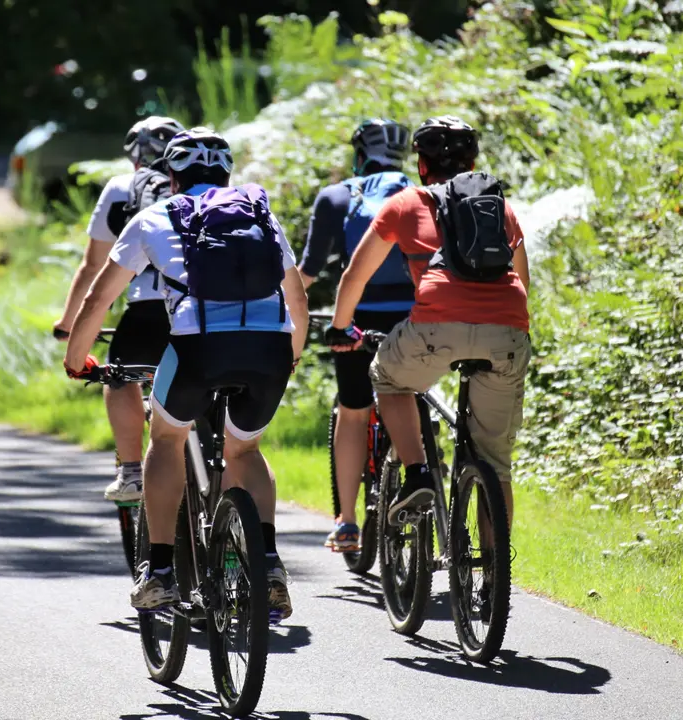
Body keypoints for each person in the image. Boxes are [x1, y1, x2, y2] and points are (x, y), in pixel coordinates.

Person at [64, 128, 308, 619]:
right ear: (226, 174)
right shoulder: (259, 212)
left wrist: (76, 359)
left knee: (168, 438)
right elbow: (297, 297)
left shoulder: (153, 216)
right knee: (246, 449)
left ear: (171, 176)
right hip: (269, 348)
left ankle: (158, 571)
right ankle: (268, 561)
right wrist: (292, 355)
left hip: (198, 349)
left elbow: (99, 297)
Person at [325, 116, 531, 527]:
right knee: (496, 464)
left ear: (421, 165)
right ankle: (494, 580)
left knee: (387, 377)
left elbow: (355, 276)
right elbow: (522, 280)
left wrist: (341, 328)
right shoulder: (499, 208)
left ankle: (417, 472)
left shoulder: (405, 204)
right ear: (473, 164)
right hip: (507, 328)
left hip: (437, 324)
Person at [54, 116, 184, 502]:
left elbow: (93, 266)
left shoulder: (122, 189)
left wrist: (67, 323)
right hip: (204, 308)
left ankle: (130, 472)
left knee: (119, 376)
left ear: (133, 157)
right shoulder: (202, 190)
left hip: (146, 310)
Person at [298, 118, 414, 553]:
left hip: (358, 319)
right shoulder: (419, 195)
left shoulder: (338, 196)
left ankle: (347, 521)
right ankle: (427, 467)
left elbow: (309, 271)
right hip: (416, 316)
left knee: (353, 411)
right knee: (413, 395)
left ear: (359, 152)